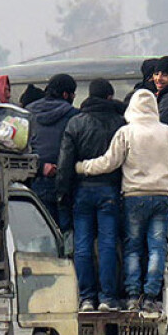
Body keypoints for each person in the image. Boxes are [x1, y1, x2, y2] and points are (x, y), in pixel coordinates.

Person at [75, 89, 168, 313]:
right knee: (157, 247)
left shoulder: (126, 132)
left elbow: (109, 162)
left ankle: (132, 295)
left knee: (133, 248)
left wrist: (82, 167)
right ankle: (151, 295)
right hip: (162, 197)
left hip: (134, 197)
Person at [57, 79, 126, 312]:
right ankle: (108, 297)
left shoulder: (75, 123)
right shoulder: (120, 123)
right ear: (109, 97)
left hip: (82, 191)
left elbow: (65, 161)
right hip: (110, 189)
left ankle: (86, 297)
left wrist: (62, 192)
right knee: (107, 243)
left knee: (82, 244)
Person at [26, 74, 79, 231]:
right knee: (66, 231)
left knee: (41, 230)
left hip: (35, 178)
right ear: (65, 95)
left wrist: (40, 167)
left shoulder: (28, 113)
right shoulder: (73, 116)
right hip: (65, 182)